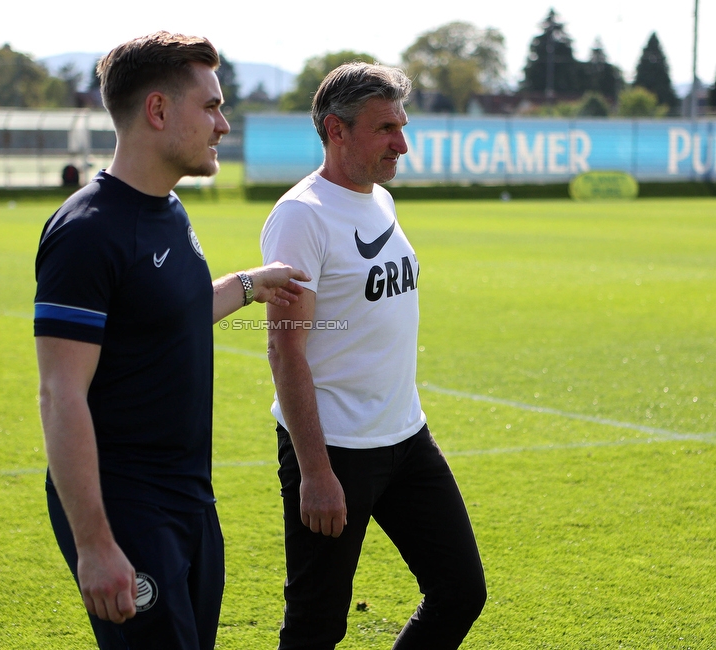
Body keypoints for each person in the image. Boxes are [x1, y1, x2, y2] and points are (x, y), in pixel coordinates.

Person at [34, 31, 308, 650]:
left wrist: (247, 284)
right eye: (210, 107)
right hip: (125, 504)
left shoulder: (169, 210)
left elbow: (168, 312)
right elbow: (59, 395)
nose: (223, 125)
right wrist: (96, 543)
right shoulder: (88, 233)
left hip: (190, 499)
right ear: (158, 111)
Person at [260, 62, 487, 650]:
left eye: (402, 126)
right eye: (386, 128)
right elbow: (286, 351)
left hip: (407, 438)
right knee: (316, 626)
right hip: (334, 450)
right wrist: (315, 471)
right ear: (337, 131)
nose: (402, 144)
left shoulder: (381, 201)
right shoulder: (301, 215)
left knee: (461, 590)